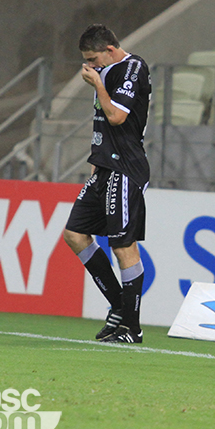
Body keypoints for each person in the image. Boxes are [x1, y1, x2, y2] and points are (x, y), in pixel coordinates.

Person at [63, 24, 151, 344]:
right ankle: (119, 306)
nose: (90, 65)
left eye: (93, 58)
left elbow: (116, 117)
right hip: (102, 167)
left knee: (122, 245)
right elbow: (102, 127)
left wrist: (98, 84)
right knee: (74, 234)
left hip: (125, 168)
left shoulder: (132, 67)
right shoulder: (106, 72)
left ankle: (132, 327)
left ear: (110, 50)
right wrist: (93, 165)